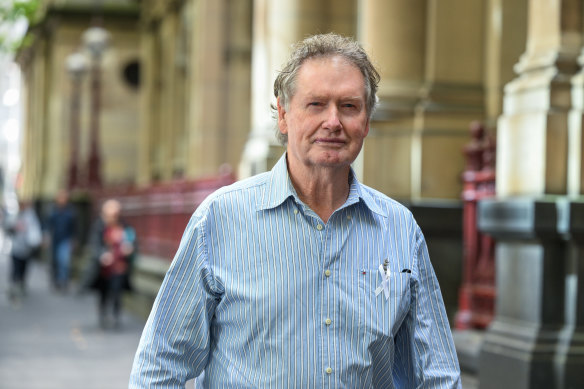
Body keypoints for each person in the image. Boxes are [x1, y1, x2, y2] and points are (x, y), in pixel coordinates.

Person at [130, 33, 461, 388]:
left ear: (366, 122)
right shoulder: (219, 220)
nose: (333, 121)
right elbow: (160, 366)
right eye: (316, 104)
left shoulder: (399, 228)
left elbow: (437, 374)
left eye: (349, 106)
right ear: (284, 115)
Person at [86, 199, 136, 329]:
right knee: (103, 292)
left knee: (117, 292)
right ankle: (103, 315)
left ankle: (115, 316)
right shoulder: (99, 226)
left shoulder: (125, 226)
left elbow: (133, 241)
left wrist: (129, 249)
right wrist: (102, 255)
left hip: (119, 266)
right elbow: (94, 244)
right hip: (103, 268)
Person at [5, 201, 42, 301]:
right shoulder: (15, 216)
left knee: (23, 268)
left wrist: (35, 241)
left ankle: (21, 284)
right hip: (16, 248)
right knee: (15, 268)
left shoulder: (31, 217)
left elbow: (35, 231)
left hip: (27, 249)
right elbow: (8, 227)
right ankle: (14, 286)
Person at [47, 189, 76, 291]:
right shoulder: (53, 210)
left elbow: (74, 227)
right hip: (55, 239)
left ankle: (63, 281)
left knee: (64, 261)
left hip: (65, 239)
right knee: (55, 261)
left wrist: (73, 240)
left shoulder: (71, 212)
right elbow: (48, 224)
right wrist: (47, 236)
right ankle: (56, 281)